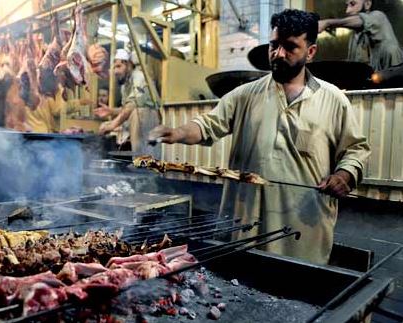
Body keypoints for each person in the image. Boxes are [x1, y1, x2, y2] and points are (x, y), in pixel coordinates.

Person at [149, 9, 370, 265]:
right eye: (274, 45)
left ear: (310, 52)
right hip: (245, 219)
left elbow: (355, 150)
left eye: (290, 47)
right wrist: (177, 132)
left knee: (298, 291)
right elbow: (207, 125)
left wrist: (344, 176)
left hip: (302, 226)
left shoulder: (334, 100)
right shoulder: (245, 95)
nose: (278, 54)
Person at [96, 49, 160, 157]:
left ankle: (143, 160)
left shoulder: (139, 78)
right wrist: (111, 111)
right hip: (135, 120)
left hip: (149, 118)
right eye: (114, 67)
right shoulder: (125, 85)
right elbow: (125, 108)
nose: (115, 71)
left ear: (129, 65)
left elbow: (131, 107)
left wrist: (113, 124)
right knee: (104, 126)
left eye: (119, 66)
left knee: (137, 113)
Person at [318, 0, 403, 71]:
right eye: (347, 6)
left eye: (353, 4)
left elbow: (361, 20)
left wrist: (327, 22)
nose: (347, 11)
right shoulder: (355, 36)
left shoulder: (379, 16)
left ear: (367, 4)